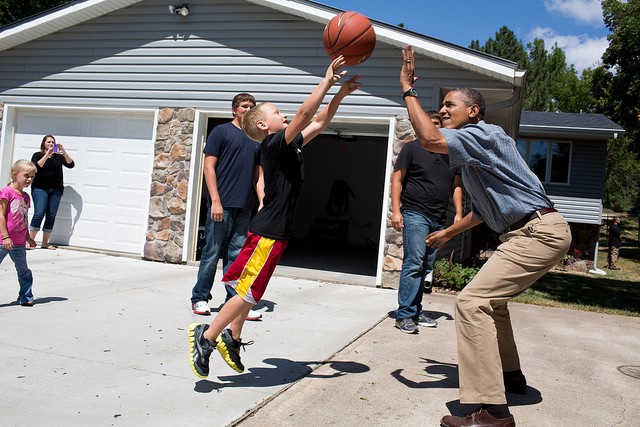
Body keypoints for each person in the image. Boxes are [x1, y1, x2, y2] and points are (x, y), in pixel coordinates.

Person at [400, 45, 571, 427]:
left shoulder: (484, 135)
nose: (443, 111)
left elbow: (427, 139)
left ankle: (492, 411)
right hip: (536, 229)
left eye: (449, 105)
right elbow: (483, 211)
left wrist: (408, 91)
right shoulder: (476, 153)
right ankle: (511, 378)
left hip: (536, 232)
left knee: (471, 302)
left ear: (472, 111)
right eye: (441, 106)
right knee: (492, 304)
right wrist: (448, 231)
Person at [187, 56, 361, 379]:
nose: (283, 114)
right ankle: (206, 336)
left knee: (251, 290)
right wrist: (327, 81)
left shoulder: (290, 145)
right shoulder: (273, 145)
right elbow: (305, 113)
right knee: (248, 292)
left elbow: (319, 122)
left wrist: (340, 95)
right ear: (265, 126)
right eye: (277, 112)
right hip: (269, 231)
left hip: (274, 232)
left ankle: (233, 338)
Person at [190, 93, 265, 321]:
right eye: (244, 106)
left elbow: (258, 174)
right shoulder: (221, 132)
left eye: (252, 106)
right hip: (221, 206)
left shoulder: (256, 139)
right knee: (212, 253)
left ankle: (234, 303)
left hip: (245, 207)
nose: (248, 109)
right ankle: (200, 297)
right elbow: (208, 167)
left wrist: (262, 201)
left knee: (237, 257)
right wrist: (215, 200)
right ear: (234, 109)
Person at [391, 110, 463, 334]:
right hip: (415, 213)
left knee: (425, 267)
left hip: (439, 218)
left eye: (437, 124)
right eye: (429, 123)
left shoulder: (451, 154)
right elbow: (397, 178)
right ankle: (404, 315)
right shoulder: (411, 148)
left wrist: (459, 213)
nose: (433, 127)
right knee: (414, 263)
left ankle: (415, 311)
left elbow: (456, 185)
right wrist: (396, 210)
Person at [1, 160, 38, 306]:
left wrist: (28, 237)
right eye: (26, 175)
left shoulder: (26, 197)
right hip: (3, 240)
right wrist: (5, 236)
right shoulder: (6, 192)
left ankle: (26, 296)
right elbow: (1, 215)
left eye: (32, 177)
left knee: (24, 271)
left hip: (19, 242)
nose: (29, 179)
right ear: (15, 175)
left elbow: (24, 218)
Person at [29, 135, 75, 249]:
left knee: (51, 215)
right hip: (40, 188)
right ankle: (30, 241)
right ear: (44, 143)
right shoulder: (37, 155)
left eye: (53, 142)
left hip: (56, 189)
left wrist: (64, 152)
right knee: (39, 213)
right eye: (49, 142)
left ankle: (45, 242)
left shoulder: (58, 157)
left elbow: (71, 165)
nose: (51, 144)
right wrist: (47, 154)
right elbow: (36, 167)